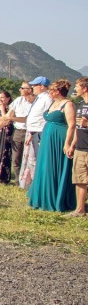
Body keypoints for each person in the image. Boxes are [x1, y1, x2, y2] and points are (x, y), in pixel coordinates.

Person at [28, 80, 76, 212]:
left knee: (55, 166)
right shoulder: (54, 103)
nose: (49, 93)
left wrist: (67, 143)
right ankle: (42, 196)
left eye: (51, 91)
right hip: (47, 138)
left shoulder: (68, 104)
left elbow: (72, 125)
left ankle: (57, 198)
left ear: (57, 91)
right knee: (44, 166)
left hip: (59, 138)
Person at [16, 77, 54, 189]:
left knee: (39, 160)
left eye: (35, 85)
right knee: (33, 160)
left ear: (42, 86)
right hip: (34, 132)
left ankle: (41, 185)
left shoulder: (47, 99)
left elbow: (47, 117)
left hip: (41, 132)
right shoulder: (39, 98)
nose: (32, 87)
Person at [0, 81, 35, 183]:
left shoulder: (36, 102)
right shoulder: (18, 100)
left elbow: (27, 119)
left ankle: (30, 182)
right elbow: (8, 116)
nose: (20, 90)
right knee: (16, 159)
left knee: (29, 159)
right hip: (18, 132)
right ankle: (18, 181)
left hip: (30, 132)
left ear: (29, 90)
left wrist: (11, 118)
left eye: (22, 88)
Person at [66, 77, 88, 217]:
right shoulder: (80, 104)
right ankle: (80, 210)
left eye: (77, 86)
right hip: (80, 147)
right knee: (79, 179)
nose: (75, 89)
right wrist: (72, 144)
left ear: (85, 88)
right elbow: (77, 128)